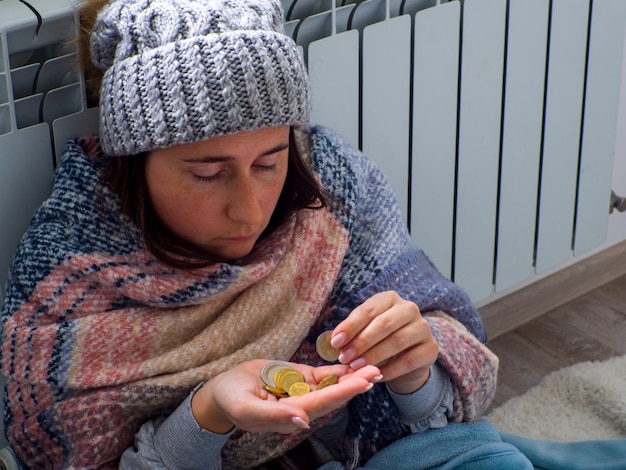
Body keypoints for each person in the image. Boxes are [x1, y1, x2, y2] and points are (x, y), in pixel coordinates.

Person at [0, 0, 533, 468]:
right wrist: (207, 411)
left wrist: (413, 373)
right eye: (207, 174)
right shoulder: (68, 273)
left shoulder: (334, 187)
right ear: (135, 165)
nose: (249, 210)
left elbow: (442, 421)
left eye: (268, 163)